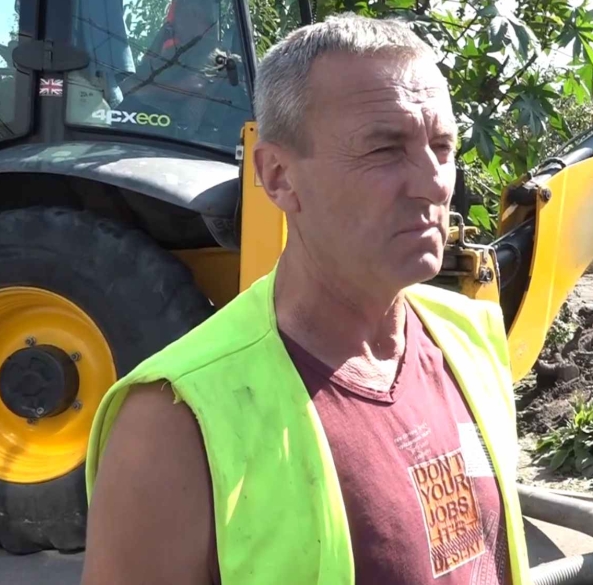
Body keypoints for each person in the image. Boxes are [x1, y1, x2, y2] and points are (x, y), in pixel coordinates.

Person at [80, 14, 529, 585]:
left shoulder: (472, 339)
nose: (433, 182)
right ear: (278, 176)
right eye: (385, 149)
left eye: (441, 146)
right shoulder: (175, 422)